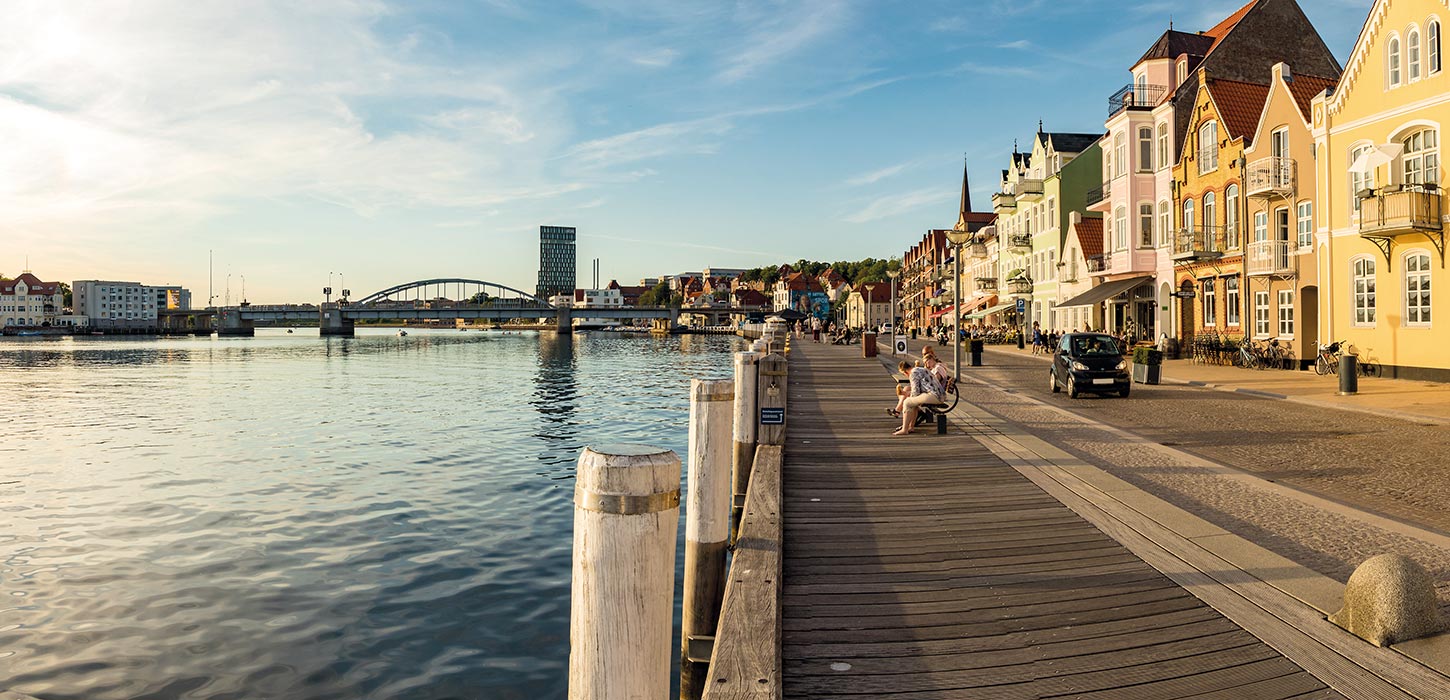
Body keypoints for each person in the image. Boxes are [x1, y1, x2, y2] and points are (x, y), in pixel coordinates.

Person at [893, 358, 944, 436]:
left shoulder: (913, 373)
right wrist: (908, 394)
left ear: (905, 372)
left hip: (934, 396)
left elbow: (915, 393)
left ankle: (904, 429)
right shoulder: (920, 369)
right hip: (939, 395)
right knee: (913, 402)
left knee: (907, 402)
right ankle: (911, 427)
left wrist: (905, 394)